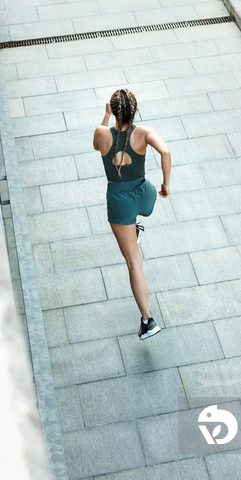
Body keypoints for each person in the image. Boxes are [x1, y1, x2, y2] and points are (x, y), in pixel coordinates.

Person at [93, 88, 171, 340]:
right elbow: (166, 152)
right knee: (140, 206)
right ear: (134, 110)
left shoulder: (102, 133)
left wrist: (105, 118)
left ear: (114, 111)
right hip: (145, 197)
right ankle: (135, 228)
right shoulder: (145, 132)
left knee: (134, 264)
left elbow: (97, 143)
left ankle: (148, 321)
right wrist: (165, 186)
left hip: (120, 202)